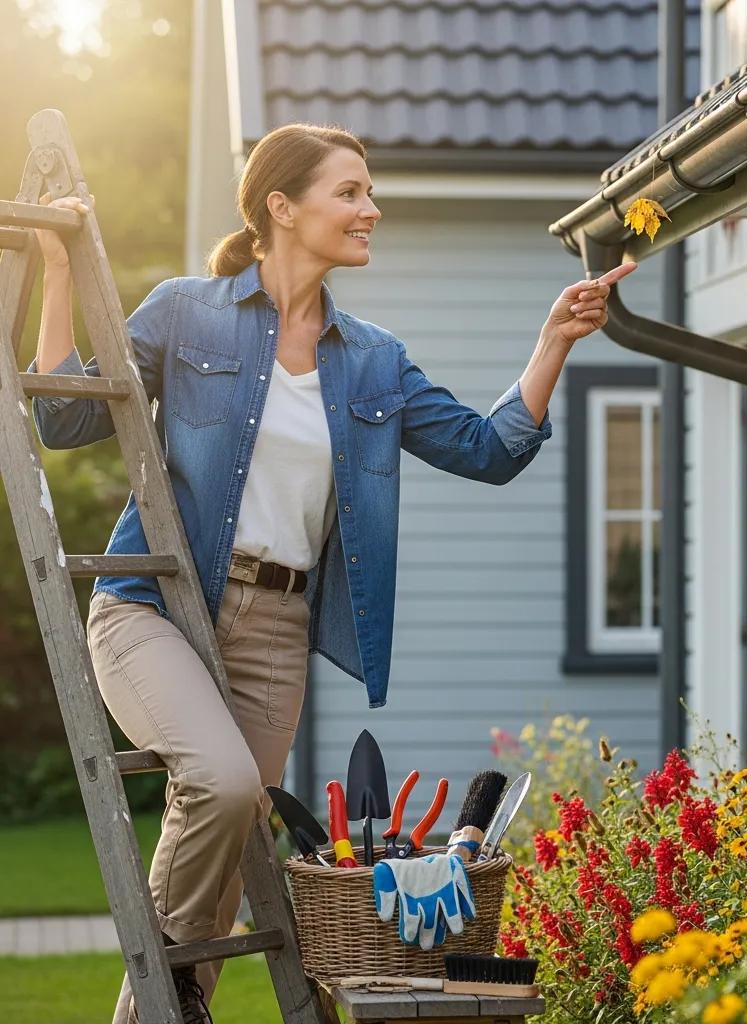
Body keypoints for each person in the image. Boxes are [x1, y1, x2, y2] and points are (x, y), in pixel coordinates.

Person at [31, 122, 636, 1023]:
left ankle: (160, 1009)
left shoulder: (375, 359)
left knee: (233, 830)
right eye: (349, 191)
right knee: (227, 785)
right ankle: (179, 998)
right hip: (151, 600)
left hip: (274, 629)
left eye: (368, 190)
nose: (371, 208)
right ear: (282, 206)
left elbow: (487, 450)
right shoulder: (183, 312)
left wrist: (552, 340)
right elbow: (63, 421)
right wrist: (56, 266)